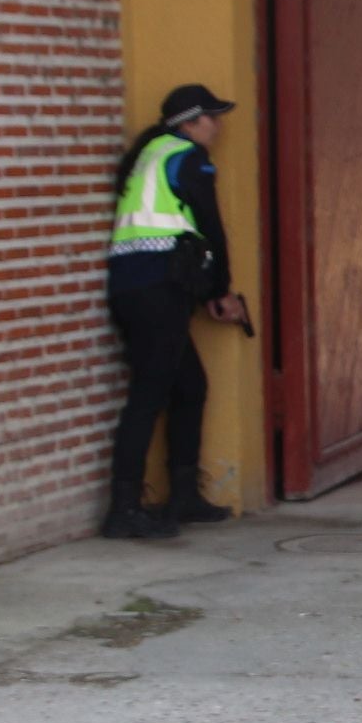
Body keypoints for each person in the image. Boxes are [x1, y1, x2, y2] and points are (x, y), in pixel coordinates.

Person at [104, 82, 245, 539]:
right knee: (149, 393)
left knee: (188, 386)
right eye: (211, 117)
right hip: (156, 288)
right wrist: (221, 290)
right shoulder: (185, 156)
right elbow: (211, 226)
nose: (218, 125)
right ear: (189, 123)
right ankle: (123, 509)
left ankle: (183, 494)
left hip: (139, 287)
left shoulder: (153, 153)